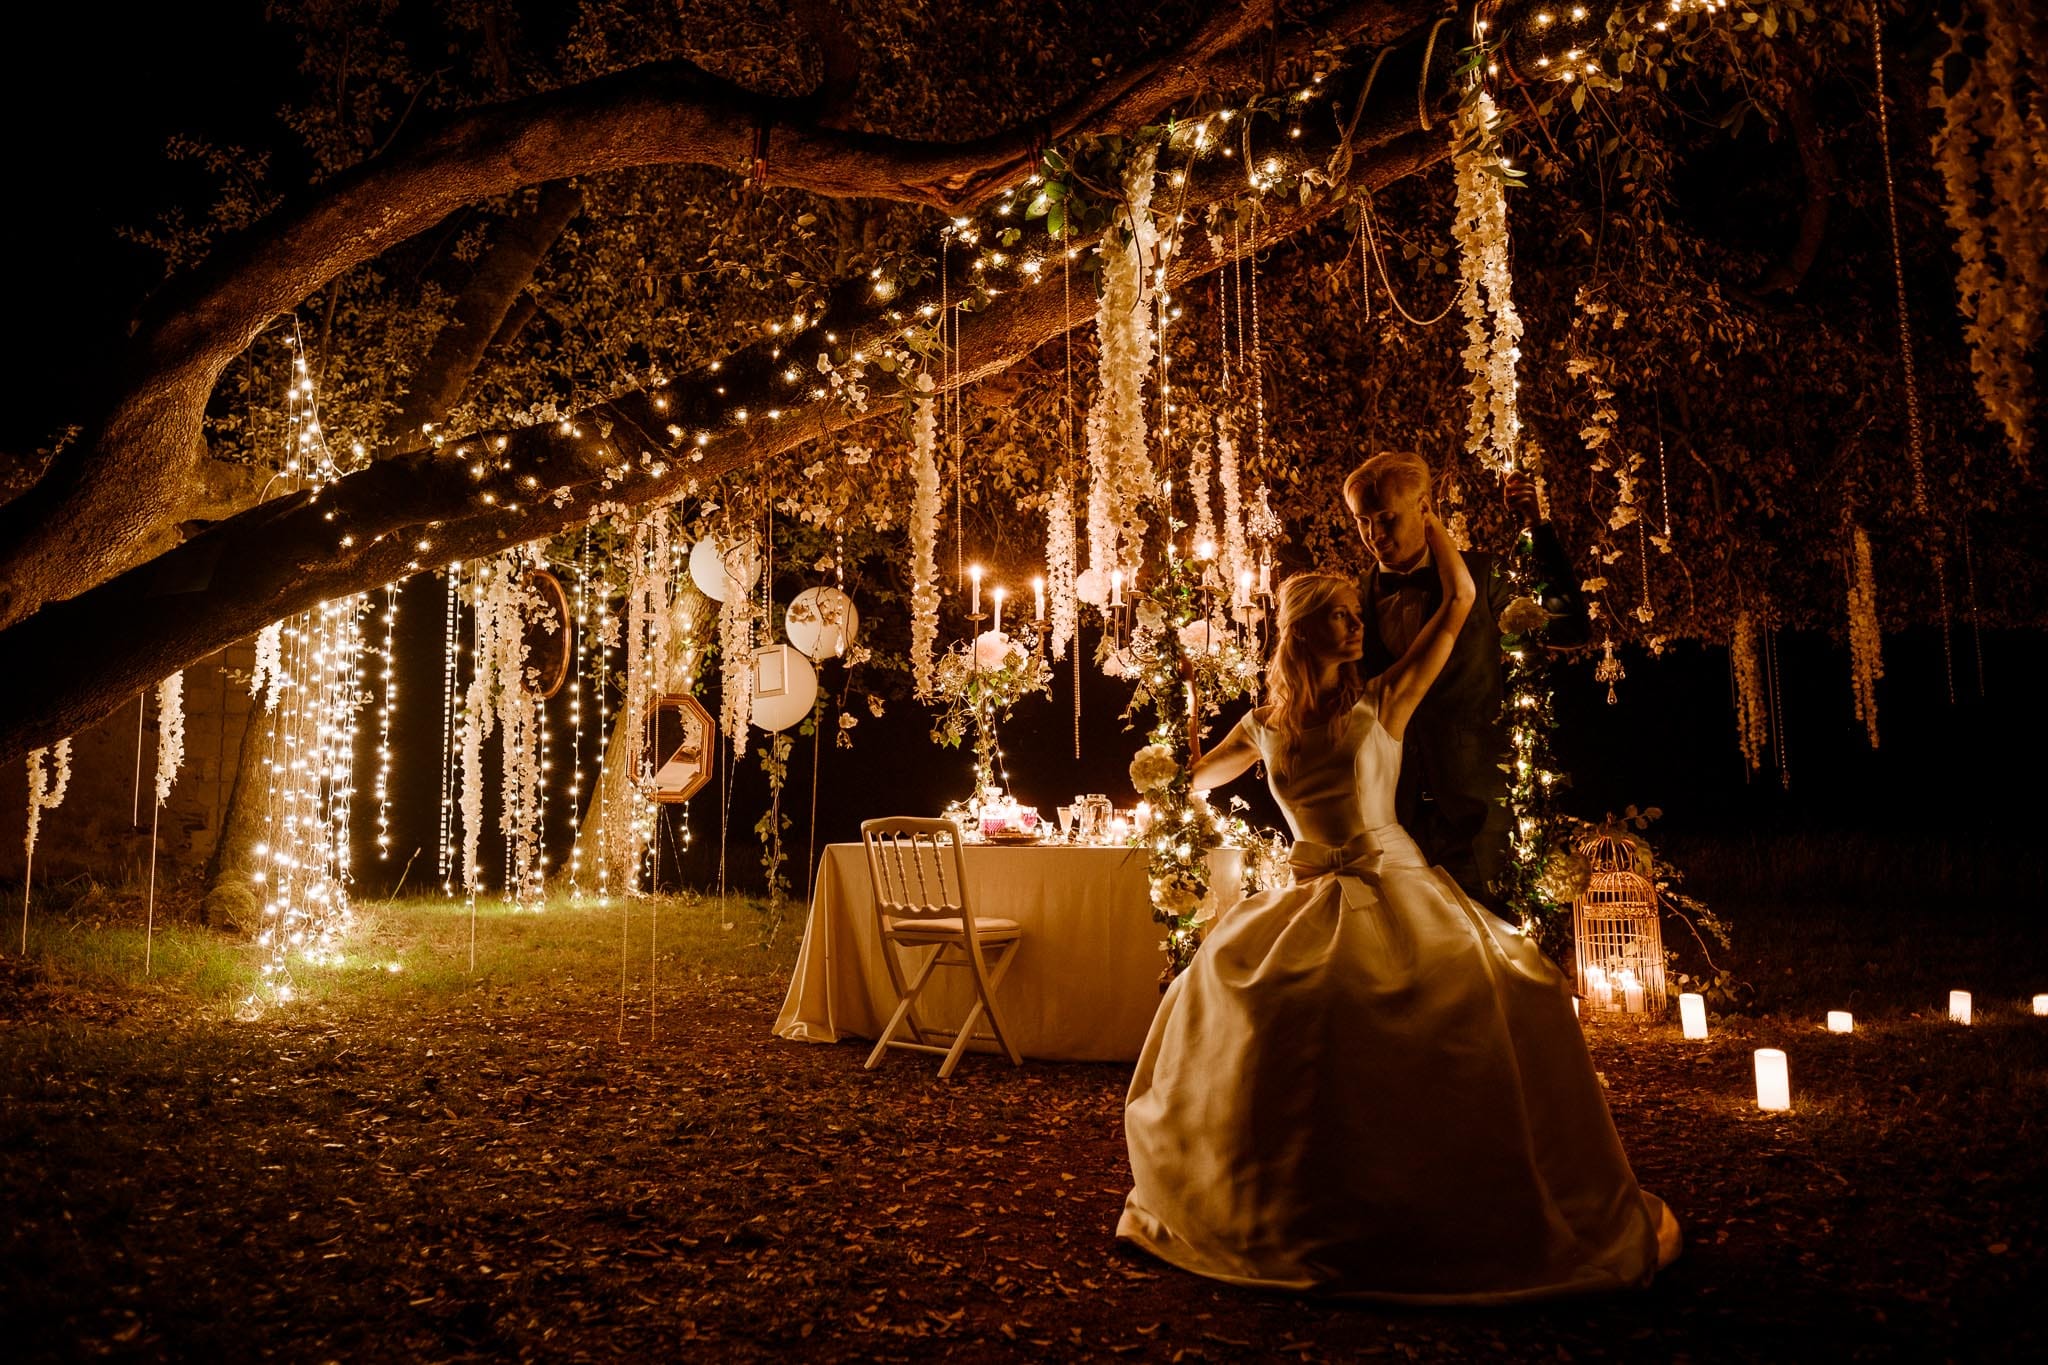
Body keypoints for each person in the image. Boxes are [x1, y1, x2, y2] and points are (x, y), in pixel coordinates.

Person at [1117, 523, 1679, 1302]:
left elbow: (1459, 606)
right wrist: (1164, 767)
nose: (1359, 626)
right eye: (1343, 616)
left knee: (1494, 992)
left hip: (1392, 880)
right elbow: (1194, 783)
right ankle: (1290, 1196)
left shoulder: (1384, 699)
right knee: (1263, 998)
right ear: (1307, 629)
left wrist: (1432, 529)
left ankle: (1444, 1198)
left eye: (1356, 613)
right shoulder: (1265, 726)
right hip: (1312, 888)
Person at [1344, 452, 1585, 920]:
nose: (1374, 535)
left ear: (1425, 507)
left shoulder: (1483, 576)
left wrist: (1535, 528)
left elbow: (1568, 628)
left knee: (1489, 944)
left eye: (1387, 518)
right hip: (1387, 812)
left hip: (1477, 812)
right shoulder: (1351, 597)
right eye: (1363, 521)